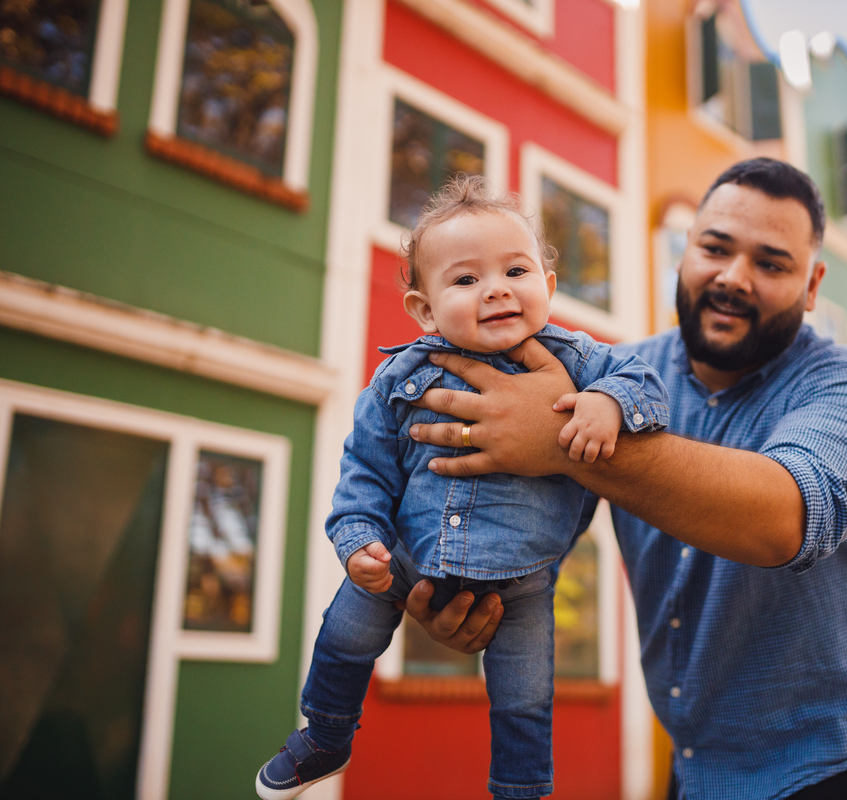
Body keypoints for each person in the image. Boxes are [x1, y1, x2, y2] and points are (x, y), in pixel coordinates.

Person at [401, 158, 847, 799]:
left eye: (771, 263)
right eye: (715, 248)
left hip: (838, 758)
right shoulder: (618, 374)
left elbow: (786, 518)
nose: (734, 278)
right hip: (698, 759)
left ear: (812, 286)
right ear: (684, 255)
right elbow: (536, 520)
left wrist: (564, 445)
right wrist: (462, 593)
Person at [255, 176, 669, 800]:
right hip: (406, 552)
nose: (497, 288)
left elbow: (646, 384)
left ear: (548, 288)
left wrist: (608, 403)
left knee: (524, 695)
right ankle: (326, 733)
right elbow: (365, 467)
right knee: (345, 635)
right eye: (466, 280)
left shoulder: (580, 360)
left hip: (524, 578)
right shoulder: (400, 377)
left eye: (516, 270)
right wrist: (358, 538)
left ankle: (522, 788)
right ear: (425, 309)